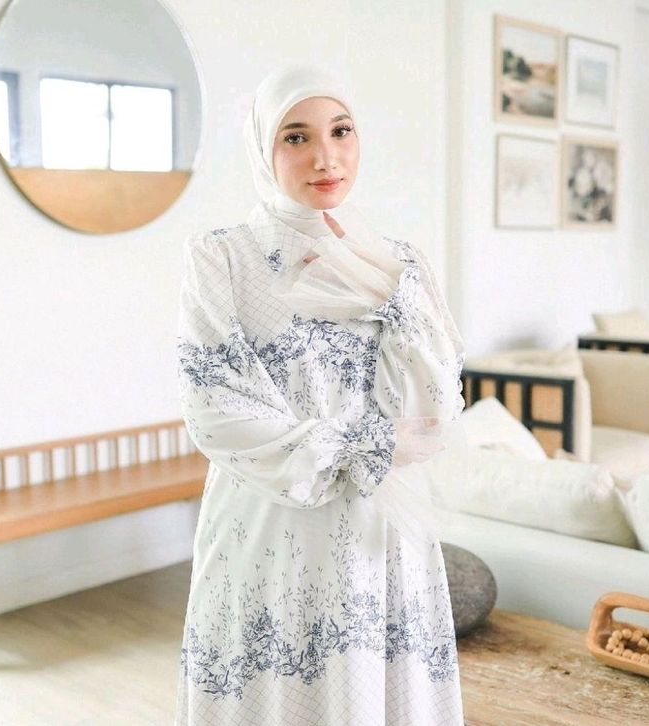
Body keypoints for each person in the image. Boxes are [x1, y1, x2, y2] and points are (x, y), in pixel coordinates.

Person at [174, 63, 467, 726]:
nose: (325, 157)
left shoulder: (399, 261)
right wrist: (364, 448)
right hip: (273, 529)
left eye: (341, 131)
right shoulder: (223, 258)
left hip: (381, 532)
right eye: (296, 137)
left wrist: (394, 306)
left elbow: (438, 402)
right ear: (263, 148)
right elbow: (216, 411)